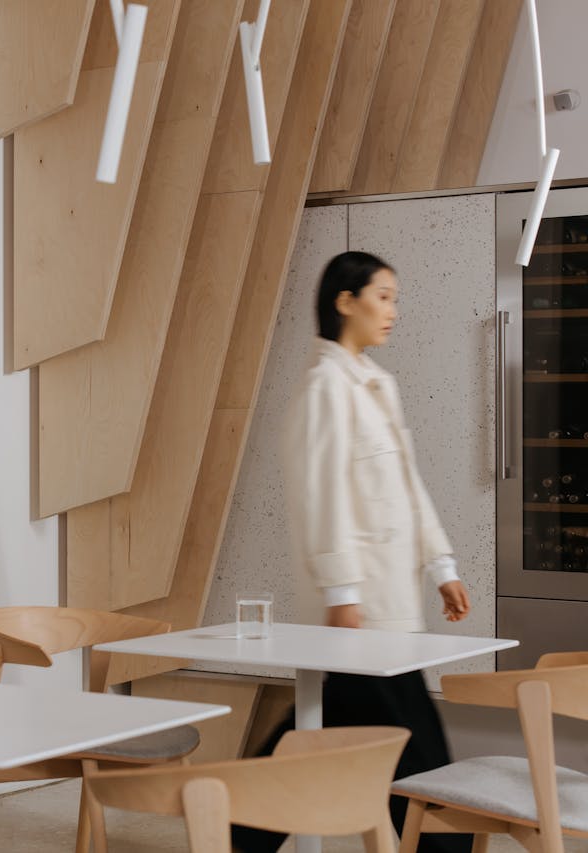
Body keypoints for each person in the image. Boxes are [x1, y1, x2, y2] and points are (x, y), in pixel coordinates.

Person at [230, 251, 472, 853]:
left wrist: (441, 566)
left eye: (395, 298)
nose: (392, 311)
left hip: (387, 611)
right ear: (346, 301)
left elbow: (408, 486)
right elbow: (321, 498)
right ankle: (232, 830)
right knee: (421, 763)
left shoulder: (376, 386)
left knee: (318, 737)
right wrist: (342, 596)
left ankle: (230, 831)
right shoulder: (324, 389)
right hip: (362, 616)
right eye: (383, 296)